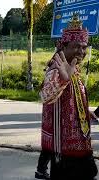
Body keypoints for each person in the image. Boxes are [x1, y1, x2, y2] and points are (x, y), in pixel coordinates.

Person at [38, 15, 97, 180]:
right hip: (65, 148)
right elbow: (45, 96)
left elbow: (73, 97)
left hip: (81, 141)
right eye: (76, 46)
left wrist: (85, 111)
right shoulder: (56, 69)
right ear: (63, 47)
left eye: (84, 47)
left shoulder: (74, 68)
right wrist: (63, 79)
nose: (81, 51)